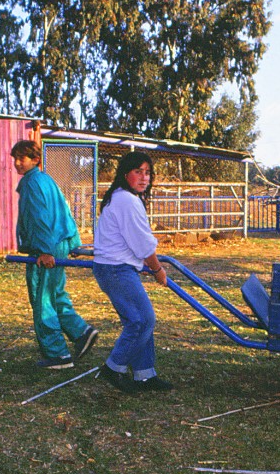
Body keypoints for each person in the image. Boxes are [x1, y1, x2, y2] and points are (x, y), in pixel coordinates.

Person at [11, 140, 98, 369]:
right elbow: (64, 210)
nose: (17, 163)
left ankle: (57, 354)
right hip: (59, 241)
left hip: (47, 246)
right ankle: (81, 332)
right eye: (15, 158)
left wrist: (45, 251)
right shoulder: (45, 180)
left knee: (43, 298)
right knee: (54, 292)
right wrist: (73, 243)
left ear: (35, 160)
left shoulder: (32, 183)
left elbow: (40, 218)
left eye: (22, 158)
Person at [92, 151, 173, 393]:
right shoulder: (126, 200)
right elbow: (142, 244)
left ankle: (144, 374)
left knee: (139, 319)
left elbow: (134, 242)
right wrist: (157, 269)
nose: (144, 177)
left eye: (148, 173)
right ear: (125, 174)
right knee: (142, 320)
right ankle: (113, 367)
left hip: (117, 267)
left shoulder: (122, 197)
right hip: (116, 269)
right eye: (138, 172)